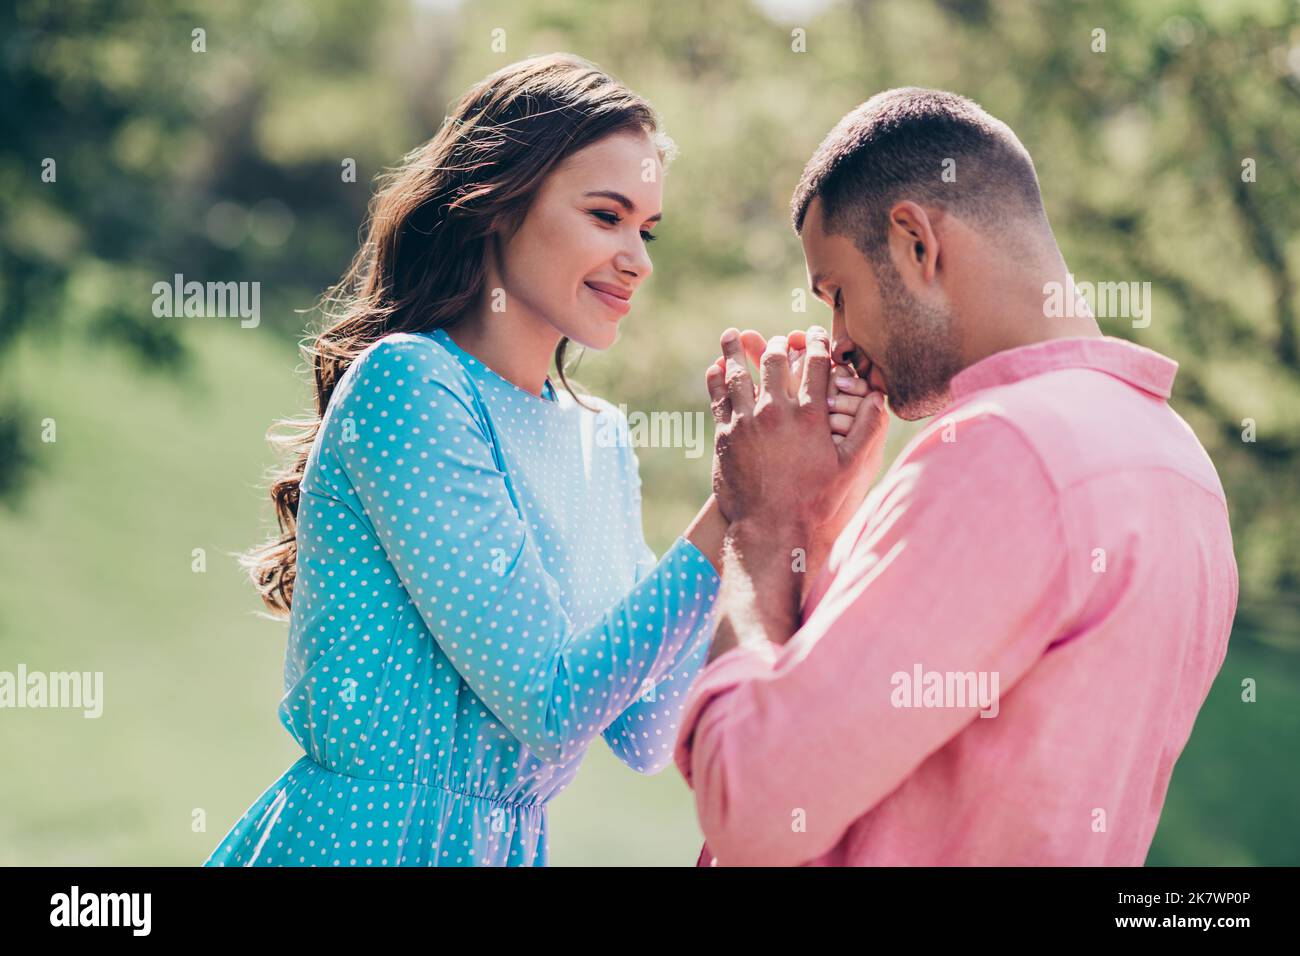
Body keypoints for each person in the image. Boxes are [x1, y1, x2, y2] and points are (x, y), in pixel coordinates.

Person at [203, 53, 870, 866]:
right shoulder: (410, 385)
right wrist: (735, 499)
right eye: (606, 215)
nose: (639, 258)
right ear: (496, 203)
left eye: (647, 229)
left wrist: (807, 489)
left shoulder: (600, 437)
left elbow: (646, 728)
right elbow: (551, 705)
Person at [675, 87, 1238, 866]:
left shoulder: (1006, 450)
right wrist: (822, 517)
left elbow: (754, 806)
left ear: (915, 242)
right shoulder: (1181, 466)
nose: (836, 341)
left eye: (838, 294)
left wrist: (762, 523)